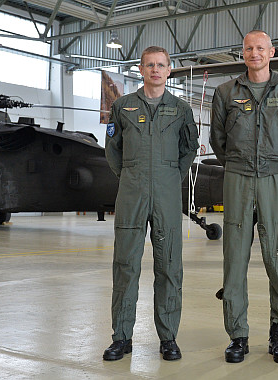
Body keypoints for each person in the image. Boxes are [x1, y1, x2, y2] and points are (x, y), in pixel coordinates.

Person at [210, 30, 278, 364]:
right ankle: (237, 335)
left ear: (271, 53)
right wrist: (239, 165)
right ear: (243, 53)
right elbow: (218, 139)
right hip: (238, 178)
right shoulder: (226, 92)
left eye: (260, 48)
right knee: (234, 258)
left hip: (275, 179)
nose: (255, 53)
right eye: (249, 48)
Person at [103, 46, 199, 361]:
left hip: (167, 195)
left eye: (161, 65)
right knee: (125, 266)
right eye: (149, 65)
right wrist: (131, 175)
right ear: (141, 70)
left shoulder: (181, 109)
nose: (155, 70)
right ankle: (122, 338)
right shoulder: (122, 106)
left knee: (169, 267)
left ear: (169, 70)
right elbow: (112, 148)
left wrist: (171, 176)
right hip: (131, 193)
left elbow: (189, 148)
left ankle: (168, 338)